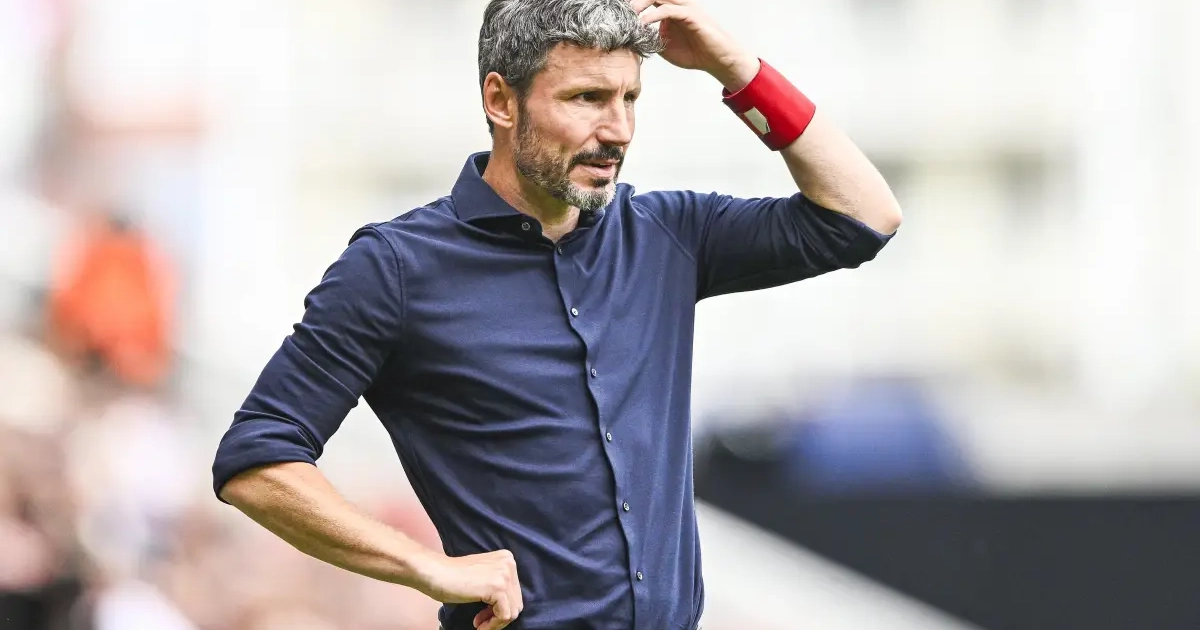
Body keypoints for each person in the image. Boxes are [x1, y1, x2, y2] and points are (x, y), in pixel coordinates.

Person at [211, 1, 902, 629]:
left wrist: (737, 70)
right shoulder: (395, 267)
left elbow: (863, 216)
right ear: (500, 101)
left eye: (630, 98)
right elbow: (258, 460)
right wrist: (425, 567)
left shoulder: (667, 233)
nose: (618, 130)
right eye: (587, 98)